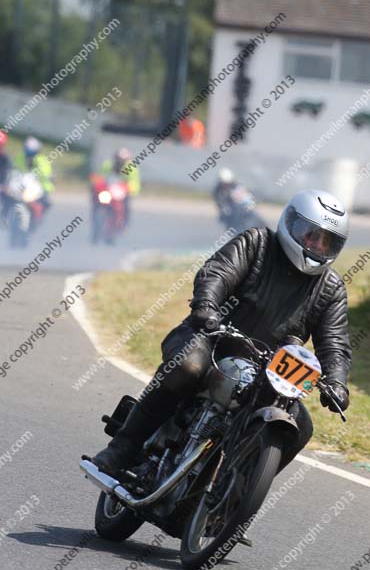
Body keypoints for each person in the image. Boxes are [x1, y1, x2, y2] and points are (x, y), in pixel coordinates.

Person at [91, 189, 352, 476]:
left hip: (269, 372)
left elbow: (334, 343)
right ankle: (123, 448)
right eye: (311, 234)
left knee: (302, 426)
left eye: (327, 241)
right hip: (211, 339)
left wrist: (337, 382)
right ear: (291, 223)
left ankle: (237, 487)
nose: (316, 245)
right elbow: (218, 272)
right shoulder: (257, 243)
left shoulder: (330, 288)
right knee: (188, 366)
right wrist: (206, 306)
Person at [99, 148, 140, 222]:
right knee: (98, 202)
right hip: (108, 189)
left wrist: (129, 188)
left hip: (123, 192)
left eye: (122, 159)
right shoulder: (108, 164)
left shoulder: (131, 167)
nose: (120, 161)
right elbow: (101, 176)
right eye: (118, 158)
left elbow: (133, 181)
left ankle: (125, 221)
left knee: (126, 206)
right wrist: (99, 186)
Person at [22, 137, 54, 209]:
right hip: (26, 185)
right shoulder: (21, 157)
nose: (29, 152)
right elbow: (16, 169)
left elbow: (45, 174)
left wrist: (39, 177)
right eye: (27, 149)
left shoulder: (42, 160)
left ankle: (36, 214)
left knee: (33, 202)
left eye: (31, 150)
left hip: (41, 187)